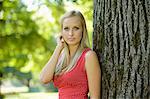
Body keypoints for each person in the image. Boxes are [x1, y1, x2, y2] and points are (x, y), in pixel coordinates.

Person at [40, 10, 101, 99]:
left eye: (76, 28)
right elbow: (44, 79)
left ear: (83, 30)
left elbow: (95, 97)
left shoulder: (89, 56)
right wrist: (59, 48)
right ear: (61, 32)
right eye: (66, 28)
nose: (70, 33)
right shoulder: (60, 58)